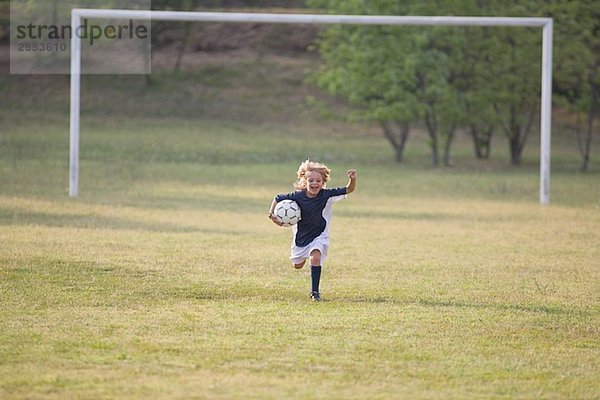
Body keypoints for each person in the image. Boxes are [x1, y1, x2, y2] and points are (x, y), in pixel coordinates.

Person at [268, 159, 357, 302]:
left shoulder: (327, 195)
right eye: (311, 180)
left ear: (323, 182)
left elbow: (349, 189)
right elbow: (277, 198)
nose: (314, 183)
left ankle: (315, 292)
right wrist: (272, 214)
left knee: (315, 257)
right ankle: (301, 258)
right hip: (301, 237)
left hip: (319, 235)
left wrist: (352, 180)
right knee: (297, 265)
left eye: (318, 181)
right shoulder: (298, 196)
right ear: (305, 181)